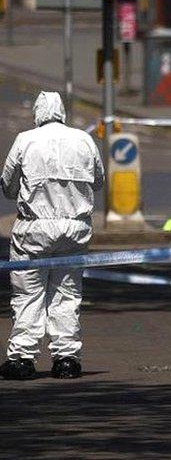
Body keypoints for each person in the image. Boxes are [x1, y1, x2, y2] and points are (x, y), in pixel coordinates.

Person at [0, 91, 105, 381]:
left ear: (38, 114)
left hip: (34, 229)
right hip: (74, 229)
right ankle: (67, 359)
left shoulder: (25, 140)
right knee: (67, 294)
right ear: (62, 113)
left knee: (28, 294)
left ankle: (22, 358)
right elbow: (98, 182)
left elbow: (7, 185)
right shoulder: (84, 140)